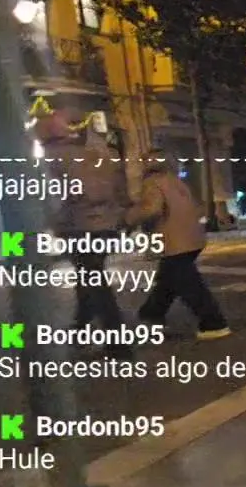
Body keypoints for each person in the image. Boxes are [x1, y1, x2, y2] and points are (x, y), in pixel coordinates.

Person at [34, 96, 130, 354]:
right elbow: (117, 188)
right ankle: (80, 329)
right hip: (106, 225)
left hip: (80, 226)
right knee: (88, 277)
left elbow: (54, 198)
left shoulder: (54, 157)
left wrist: (53, 223)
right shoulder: (97, 151)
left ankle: (118, 343)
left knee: (94, 282)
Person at [127, 149, 231, 340]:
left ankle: (214, 323)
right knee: (168, 280)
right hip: (191, 237)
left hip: (174, 241)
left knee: (190, 286)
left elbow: (151, 209)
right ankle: (151, 314)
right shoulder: (174, 180)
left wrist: (128, 218)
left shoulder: (151, 183)